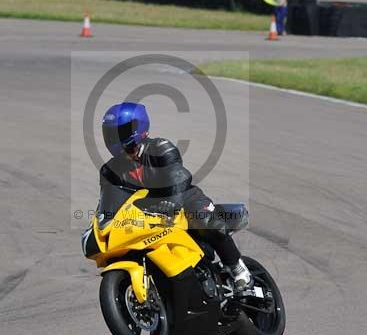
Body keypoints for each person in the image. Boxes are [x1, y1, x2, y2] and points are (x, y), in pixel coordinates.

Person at [96, 101, 252, 290]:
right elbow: (109, 202)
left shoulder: (160, 148)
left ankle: (237, 268)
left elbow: (178, 178)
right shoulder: (110, 170)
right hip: (148, 214)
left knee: (205, 220)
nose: (115, 138)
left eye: (121, 132)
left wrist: (171, 202)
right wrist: (100, 226)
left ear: (139, 127)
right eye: (111, 133)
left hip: (185, 200)